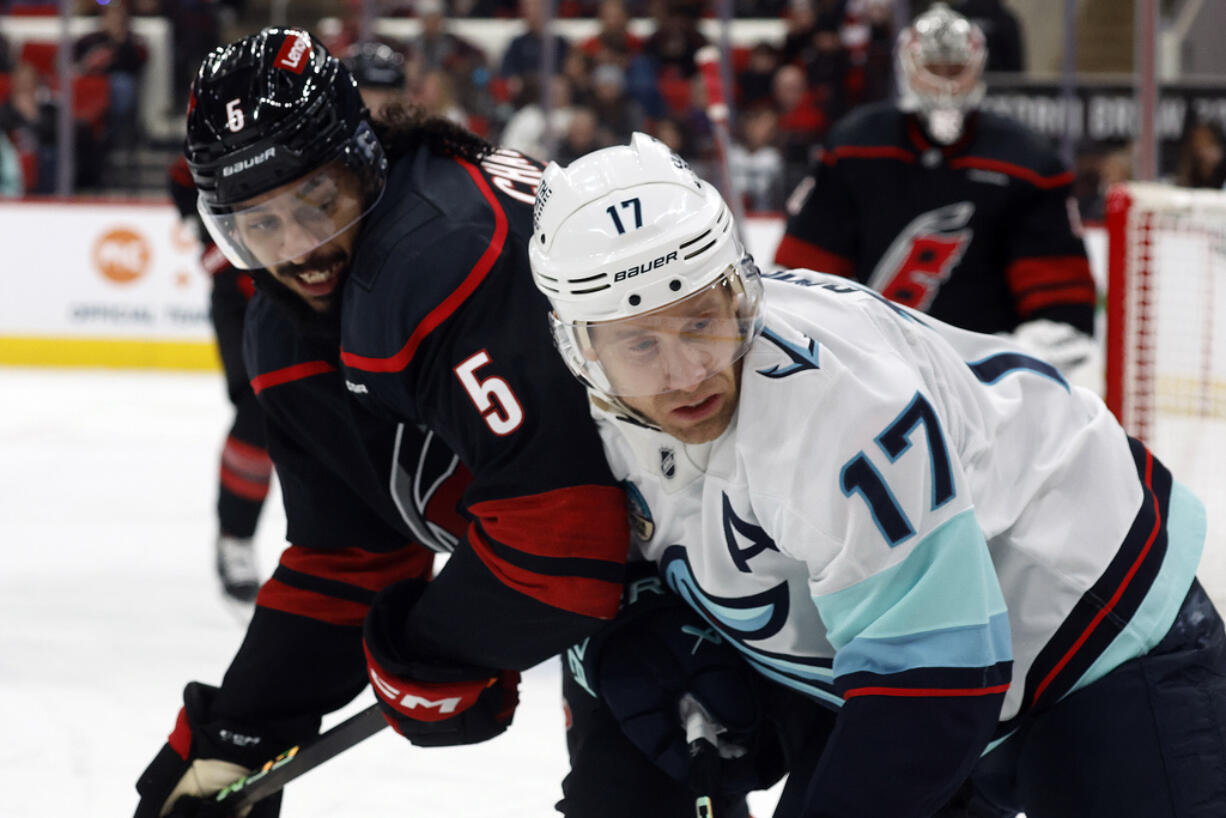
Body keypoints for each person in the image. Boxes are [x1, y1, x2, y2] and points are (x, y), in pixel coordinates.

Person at [529, 132, 1226, 817]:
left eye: (701, 322)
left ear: (740, 294)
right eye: (641, 343)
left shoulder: (835, 407)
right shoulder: (564, 414)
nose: (686, 373)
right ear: (578, 345)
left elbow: (935, 686)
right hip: (891, 666)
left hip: (1093, 620)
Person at [133, 26, 631, 817]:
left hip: (758, 543)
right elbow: (350, 554)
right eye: (258, 225)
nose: (300, 251)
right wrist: (243, 727)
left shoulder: (440, 251)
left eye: (317, 202)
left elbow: (566, 539)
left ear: (365, 156)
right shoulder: (292, 322)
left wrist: (428, 655)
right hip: (645, 569)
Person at [774, 3, 1097, 383]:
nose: (945, 84)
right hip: (873, 376)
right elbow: (799, 284)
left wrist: (992, 374)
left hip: (984, 386)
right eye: (934, 69)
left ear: (977, 68)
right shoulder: (854, 148)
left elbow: (1063, 320)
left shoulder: (1028, 164)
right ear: (907, 66)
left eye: (954, 69)